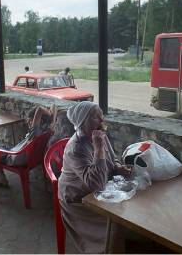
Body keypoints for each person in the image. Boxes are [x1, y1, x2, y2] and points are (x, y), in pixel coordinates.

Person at [58, 101, 131, 253]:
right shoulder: (76, 148)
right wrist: (98, 148)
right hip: (78, 198)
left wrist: (117, 166)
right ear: (82, 122)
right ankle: (110, 249)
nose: (102, 120)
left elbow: (112, 157)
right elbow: (96, 184)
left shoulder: (98, 134)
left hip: (98, 191)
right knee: (115, 223)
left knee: (127, 211)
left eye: (101, 115)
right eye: (96, 117)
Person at [0, 104, 57, 187]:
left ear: (39, 121)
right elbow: (54, 106)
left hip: (12, 158)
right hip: (20, 155)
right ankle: (2, 178)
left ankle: (2, 179)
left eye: (30, 120)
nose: (28, 122)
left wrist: (48, 114)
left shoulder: (35, 132)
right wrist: (50, 116)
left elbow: (39, 109)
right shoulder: (47, 130)